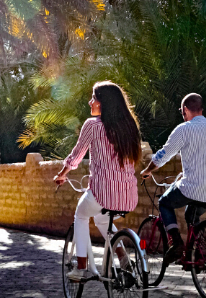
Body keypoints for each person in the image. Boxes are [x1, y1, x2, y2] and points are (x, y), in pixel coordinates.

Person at [54, 81, 142, 280]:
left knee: (81, 215)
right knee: (103, 219)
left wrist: (62, 174)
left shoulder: (92, 125)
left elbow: (76, 156)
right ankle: (124, 259)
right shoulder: (129, 127)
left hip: (102, 193)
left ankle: (81, 267)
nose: (90, 102)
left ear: (103, 103)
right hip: (128, 196)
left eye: (93, 98)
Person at [140, 93, 206, 264]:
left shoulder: (184, 129)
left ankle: (176, 243)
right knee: (191, 216)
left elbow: (163, 156)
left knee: (164, 202)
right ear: (201, 108)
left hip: (192, 187)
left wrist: (147, 170)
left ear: (185, 110)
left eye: (182, 111)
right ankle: (194, 255)